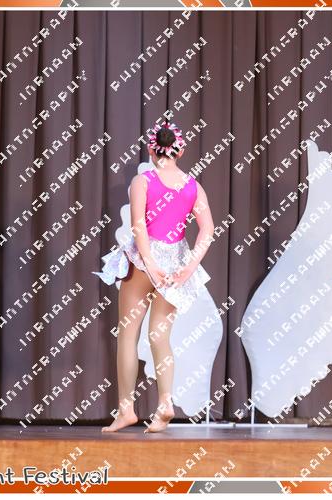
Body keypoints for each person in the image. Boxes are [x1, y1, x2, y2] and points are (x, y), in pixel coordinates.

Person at [94, 122, 215, 433]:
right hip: (174, 264)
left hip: (143, 263)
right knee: (160, 337)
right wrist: (189, 266)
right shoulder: (193, 186)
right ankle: (164, 403)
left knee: (128, 334)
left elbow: (139, 226)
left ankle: (126, 409)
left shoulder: (143, 181)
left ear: (151, 149)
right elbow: (208, 229)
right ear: (180, 151)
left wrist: (148, 262)